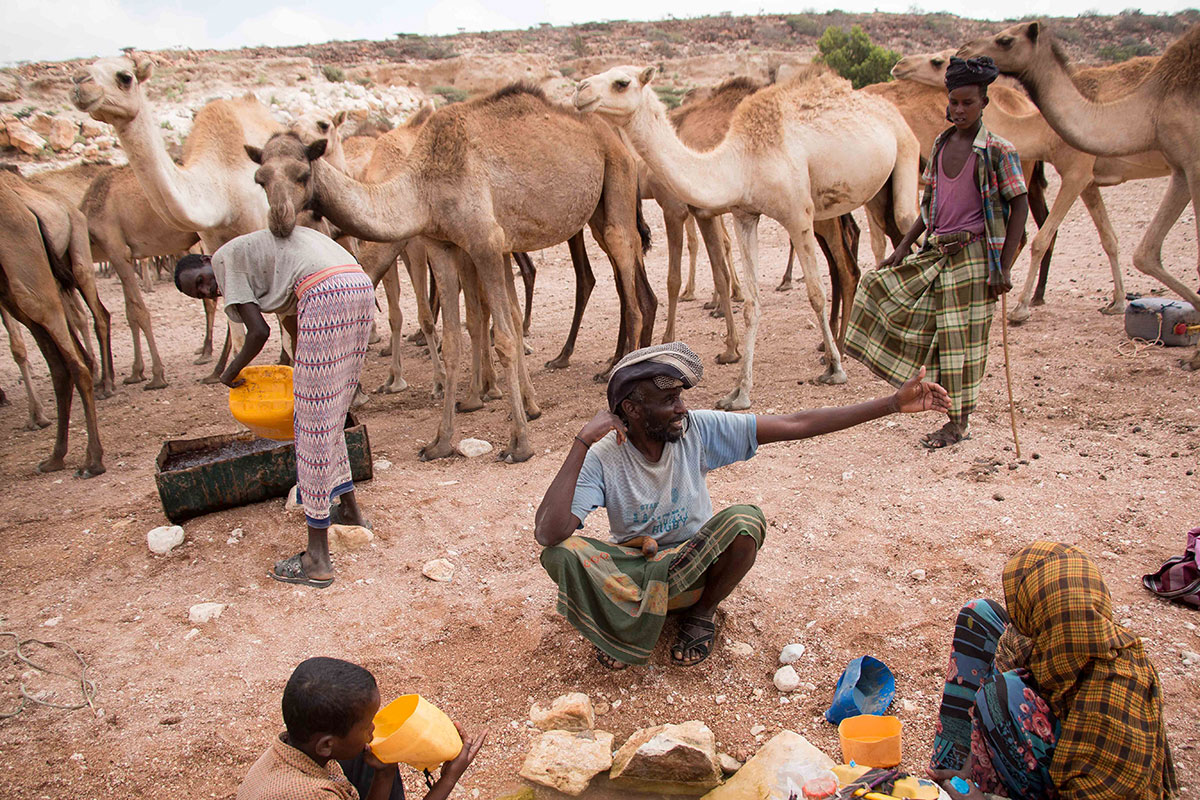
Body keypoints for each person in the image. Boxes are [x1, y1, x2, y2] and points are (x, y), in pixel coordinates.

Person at [534, 342, 951, 670]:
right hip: (636, 574)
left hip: (693, 567)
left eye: (681, 397)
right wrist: (581, 443)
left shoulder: (697, 428)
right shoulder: (606, 454)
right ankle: (620, 630)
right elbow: (549, 534)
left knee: (744, 521)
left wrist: (891, 404)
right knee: (563, 553)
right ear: (631, 410)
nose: (681, 408)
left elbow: (796, 424)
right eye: (669, 401)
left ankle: (700, 615)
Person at [845, 55, 1030, 449]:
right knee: (880, 289)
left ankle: (958, 422)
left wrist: (1004, 266)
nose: (959, 110)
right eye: (954, 102)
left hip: (975, 258)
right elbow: (930, 207)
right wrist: (901, 246)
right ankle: (919, 392)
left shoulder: (998, 151)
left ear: (984, 103)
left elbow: (1020, 206)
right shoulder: (942, 143)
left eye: (968, 102)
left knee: (961, 343)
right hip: (937, 251)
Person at [175, 227, 374, 588]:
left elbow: (257, 332)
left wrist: (229, 372)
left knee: (311, 427)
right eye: (199, 293)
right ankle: (349, 512)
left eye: (201, 281)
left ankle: (317, 560)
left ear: (206, 260)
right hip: (358, 286)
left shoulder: (225, 259)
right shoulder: (257, 256)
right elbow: (292, 318)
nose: (207, 290)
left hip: (327, 295)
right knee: (329, 417)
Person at [927, 542, 1177, 800]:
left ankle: (986, 789)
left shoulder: (1116, 700)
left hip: (1069, 788)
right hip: (1056, 715)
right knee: (978, 617)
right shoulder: (1063, 638)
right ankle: (948, 780)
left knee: (1000, 695)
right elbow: (1010, 645)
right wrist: (969, 763)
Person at [238, 656, 486, 800]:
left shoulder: (290, 749)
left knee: (362, 756)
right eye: (367, 725)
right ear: (326, 744)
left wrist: (385, 773)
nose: (373, 729)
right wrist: (448, 779)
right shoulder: (315, 795)